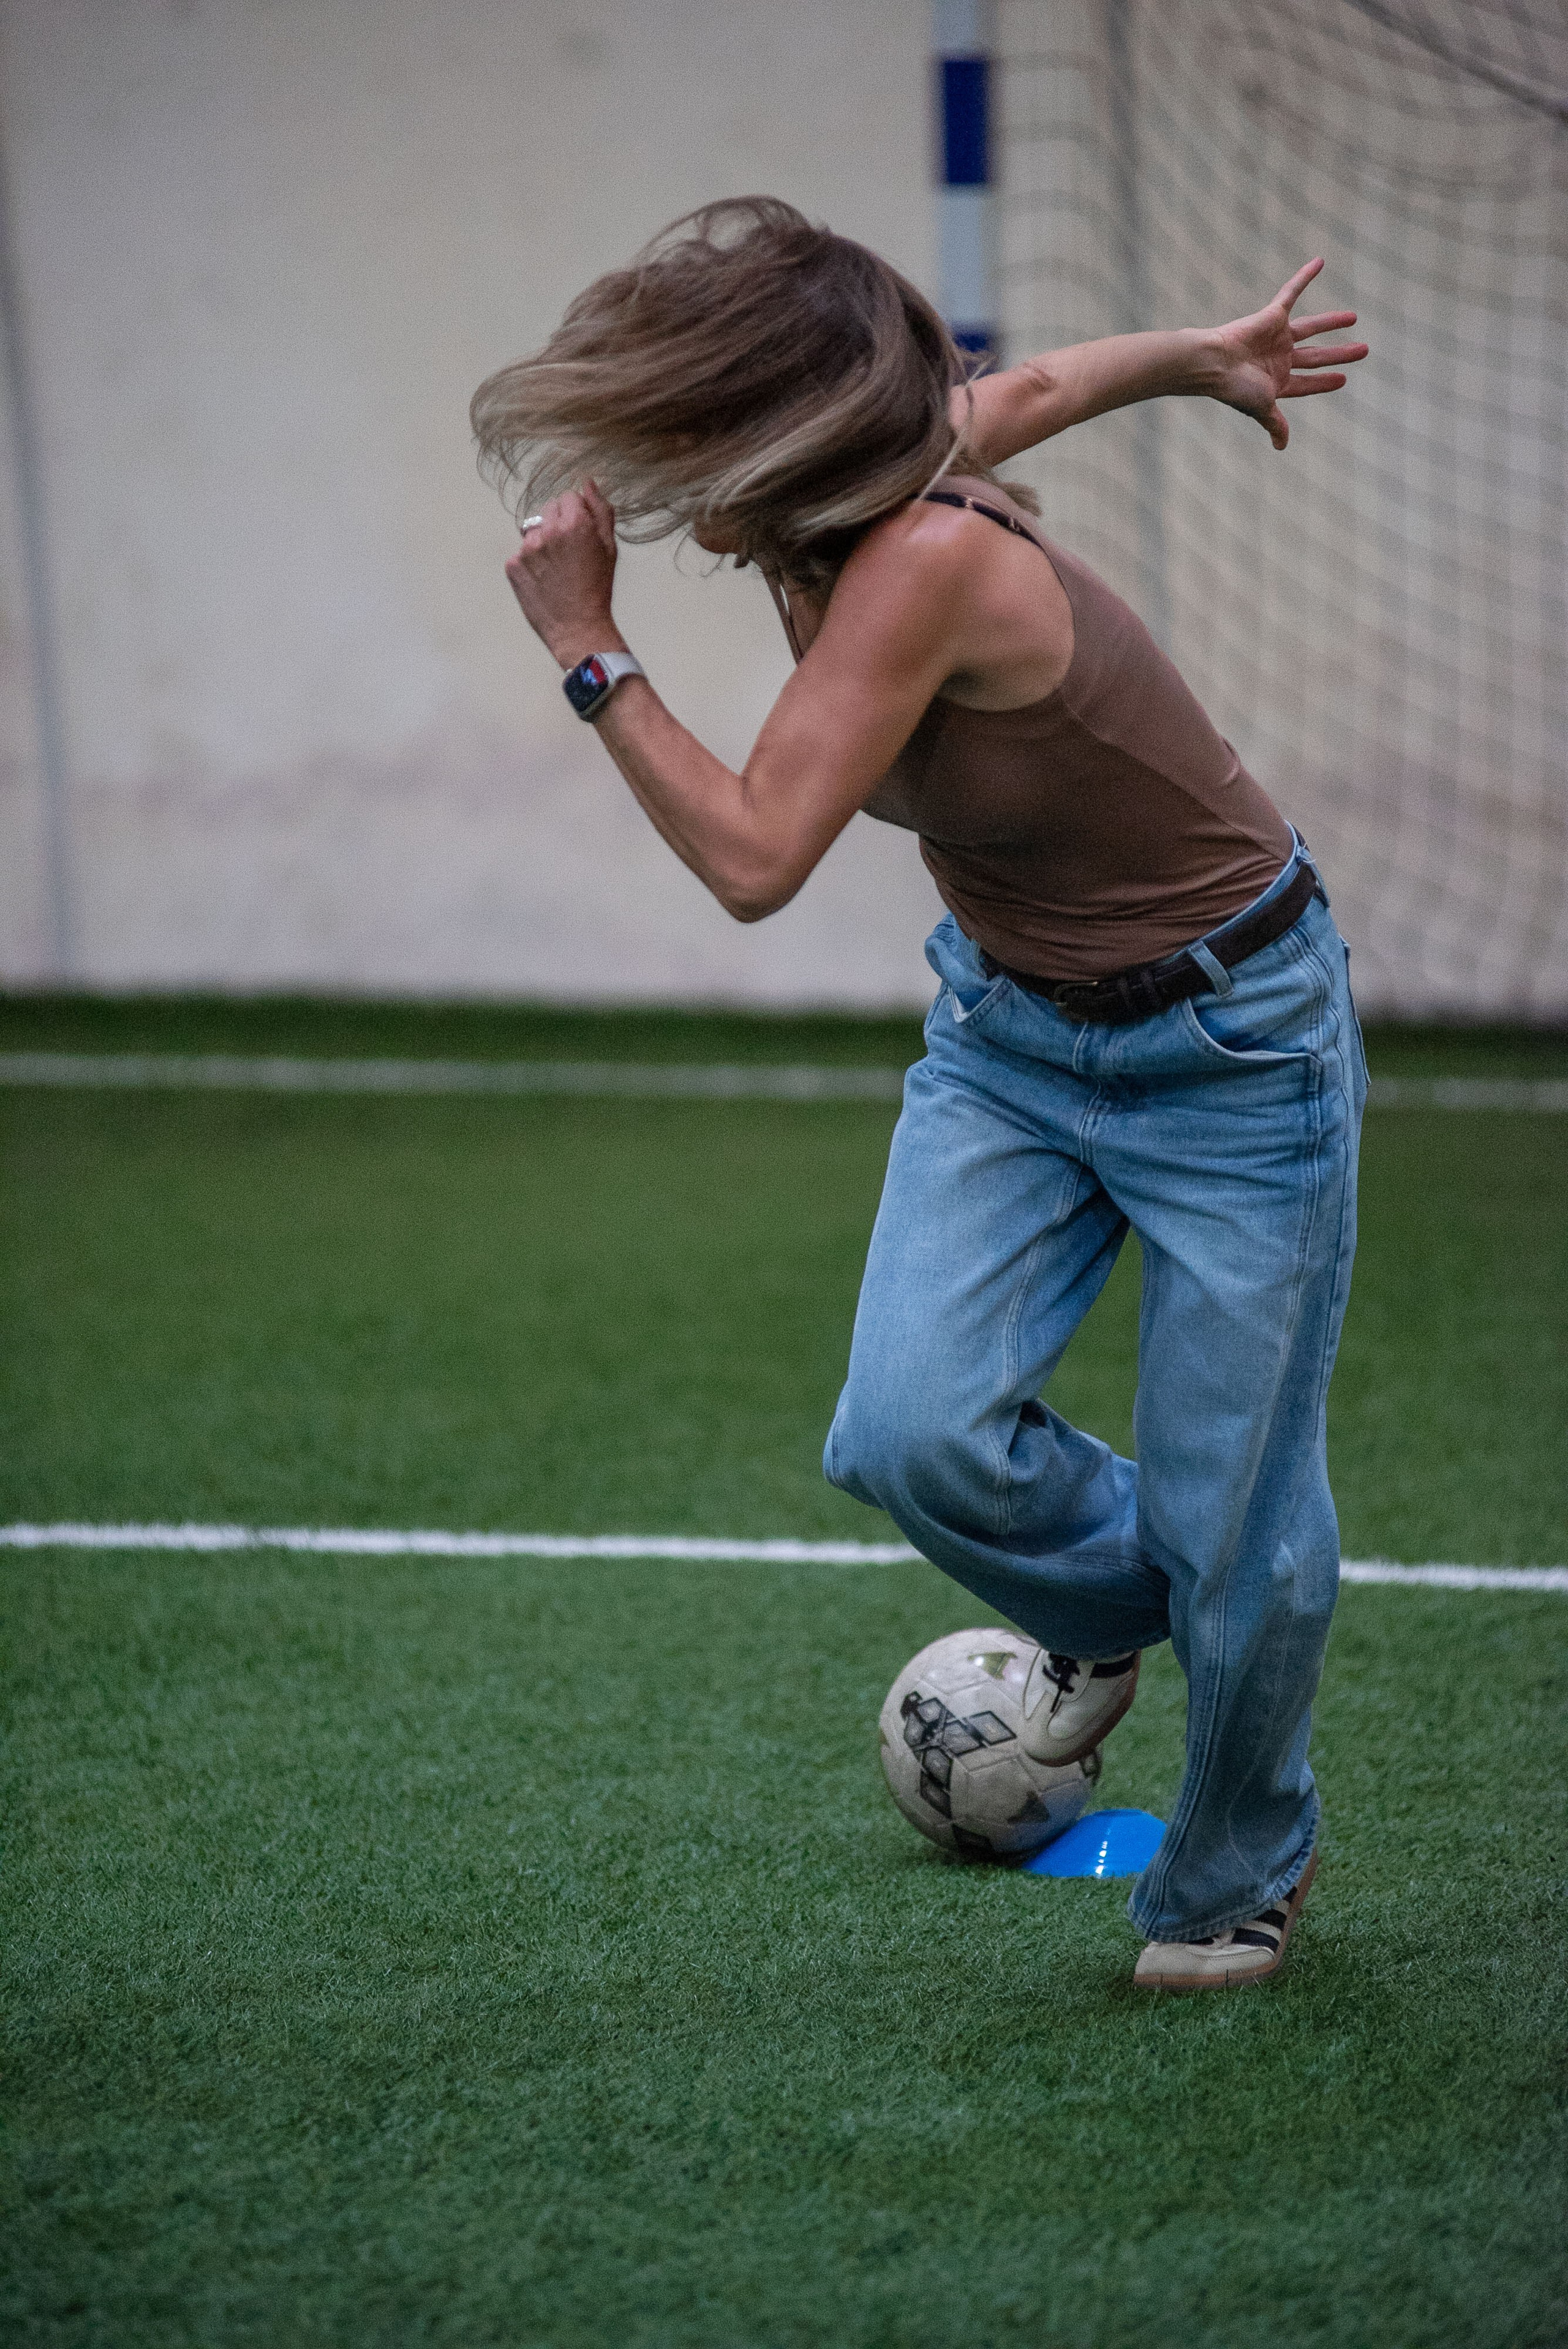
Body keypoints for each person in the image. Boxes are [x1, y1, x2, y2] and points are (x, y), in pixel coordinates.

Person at [472, 197, 1369, 1991]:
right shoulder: (890, 468)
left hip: (1234, 1047)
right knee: (906, 1428)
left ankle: (1233, 1871)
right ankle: (1133, 1613)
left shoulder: (926, 563)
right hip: (1013, 1041)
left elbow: (753, 855)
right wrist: (1198, 356)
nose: (667, 487)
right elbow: (1028, 386)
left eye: (686, 439)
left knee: (1241, 1539)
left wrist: (590, 644)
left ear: (781, 446)